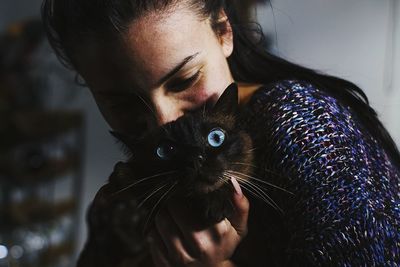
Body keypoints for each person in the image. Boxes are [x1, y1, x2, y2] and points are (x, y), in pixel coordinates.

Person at [41, 0, 400, 266]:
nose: (163, 121)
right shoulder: (135, 182)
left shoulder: (301, 128)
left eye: (184, 79)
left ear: (224, 32)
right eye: (123, 104)